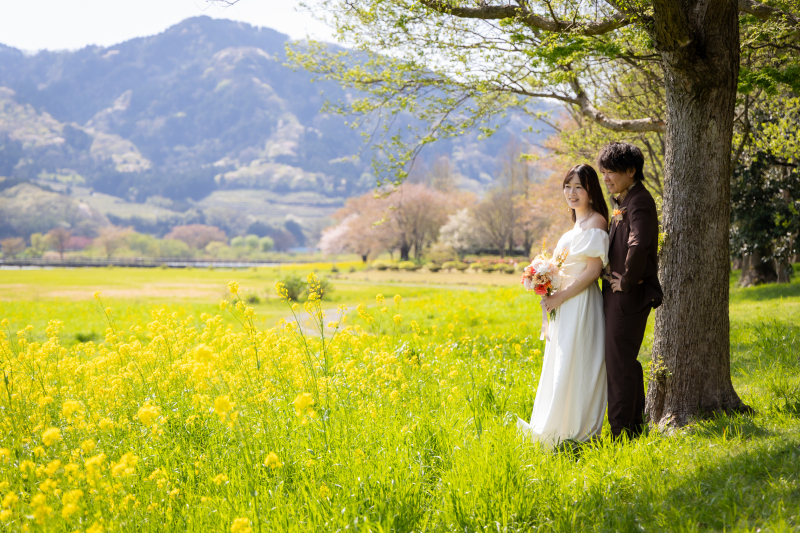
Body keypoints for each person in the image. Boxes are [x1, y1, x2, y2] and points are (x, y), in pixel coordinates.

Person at [516, 164, 609, 446]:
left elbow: (592, 272)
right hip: (562, 304)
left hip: (580, 302)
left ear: (591, 191)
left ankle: (577, 431)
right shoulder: (572, 230)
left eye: (578, 187)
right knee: (559, 363)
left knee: (578, 361)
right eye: (567, 187)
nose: (572, 193)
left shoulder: (596, 223)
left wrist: (559, 296)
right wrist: (543, 281)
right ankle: (554, 426)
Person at [598, 142, 663, 439]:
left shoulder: (639, 201)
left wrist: (625, 280)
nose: (606, 178)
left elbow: (639, 242)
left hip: (628, 295)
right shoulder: (623, 200)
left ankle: (620, 434)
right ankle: (635, 429)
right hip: (619, 294)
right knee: (625, 361)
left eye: (611, 172)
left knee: (619, 364)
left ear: (631, 171)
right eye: (603, 172)